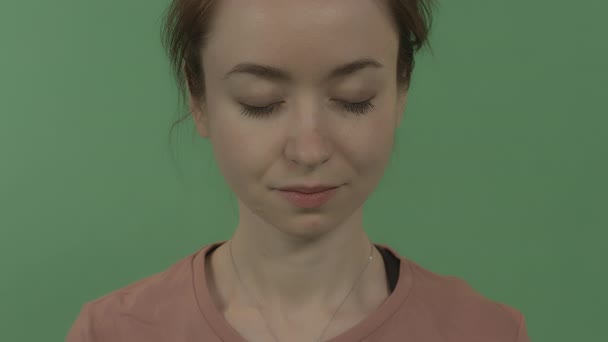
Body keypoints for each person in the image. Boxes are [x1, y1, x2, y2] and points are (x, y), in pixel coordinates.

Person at [66, 0, 530, 341]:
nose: (309, 150)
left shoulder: (484, 331)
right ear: (198, 96)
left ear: (400, 89)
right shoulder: (112, 333)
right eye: (259, 103)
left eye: (354, 97)